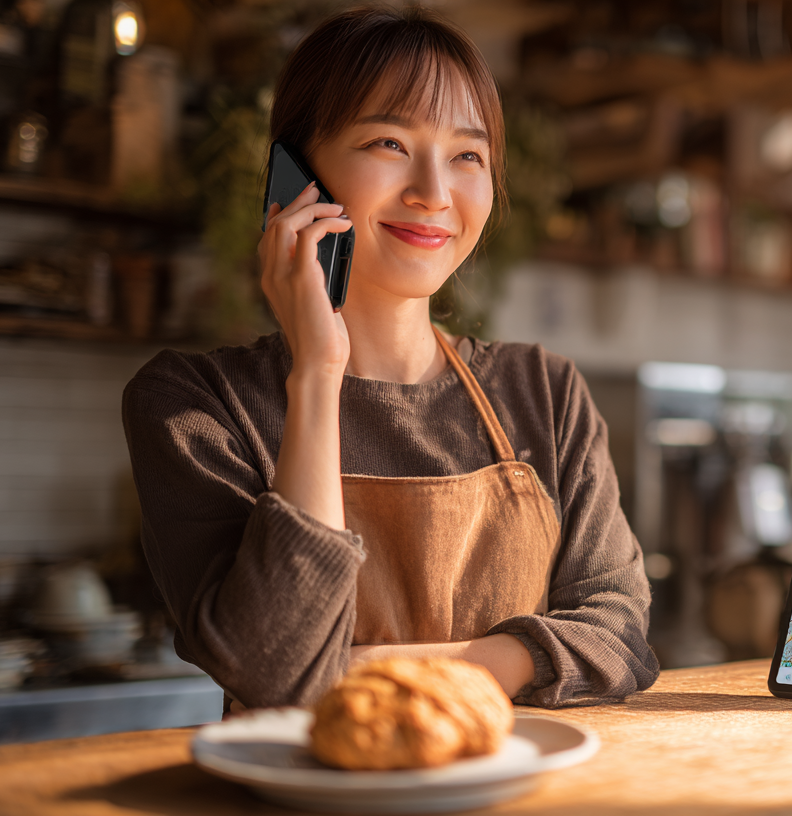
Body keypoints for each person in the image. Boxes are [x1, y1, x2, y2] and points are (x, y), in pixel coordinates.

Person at [121, 6, 658, 709]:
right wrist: (316, 372)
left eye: (467, 156)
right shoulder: (197, 405)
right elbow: (273, 670)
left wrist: (366, 671)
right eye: (387, 143)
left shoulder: (545, 391)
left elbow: (619, 635)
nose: (434, 193)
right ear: (297, 175)